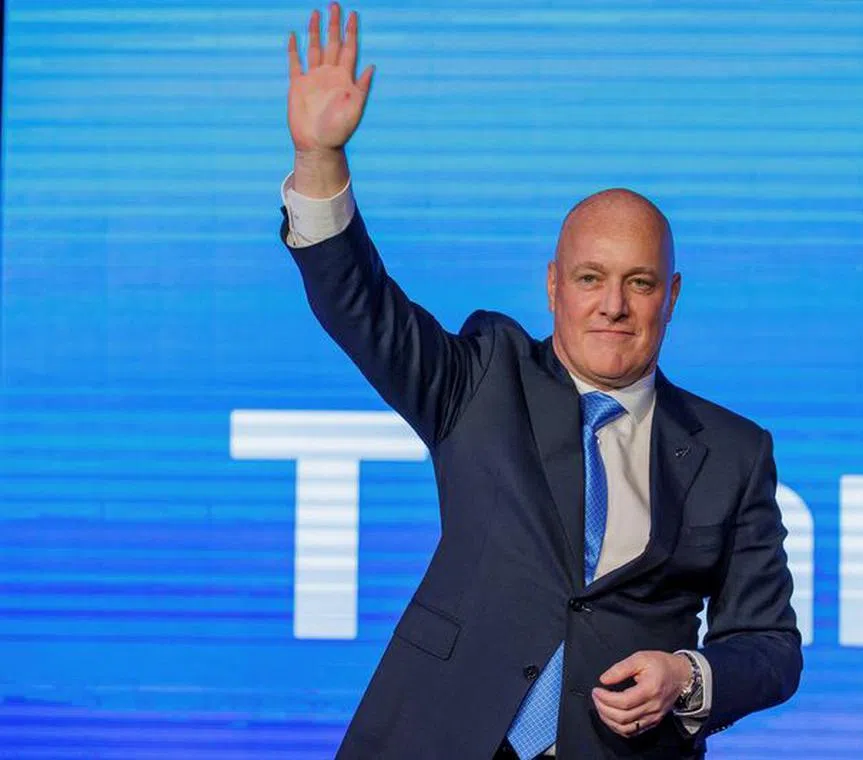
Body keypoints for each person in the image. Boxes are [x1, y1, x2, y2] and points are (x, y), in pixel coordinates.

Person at [281, 5, 801, 758]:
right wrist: (319, 158)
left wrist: (687, 675)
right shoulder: (484, 376)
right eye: (591, 278)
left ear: (672, 295)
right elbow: (360, 305)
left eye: (640, 282)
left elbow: (770, 645)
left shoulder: (733, 451)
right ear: (554, 286)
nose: (613, 305)